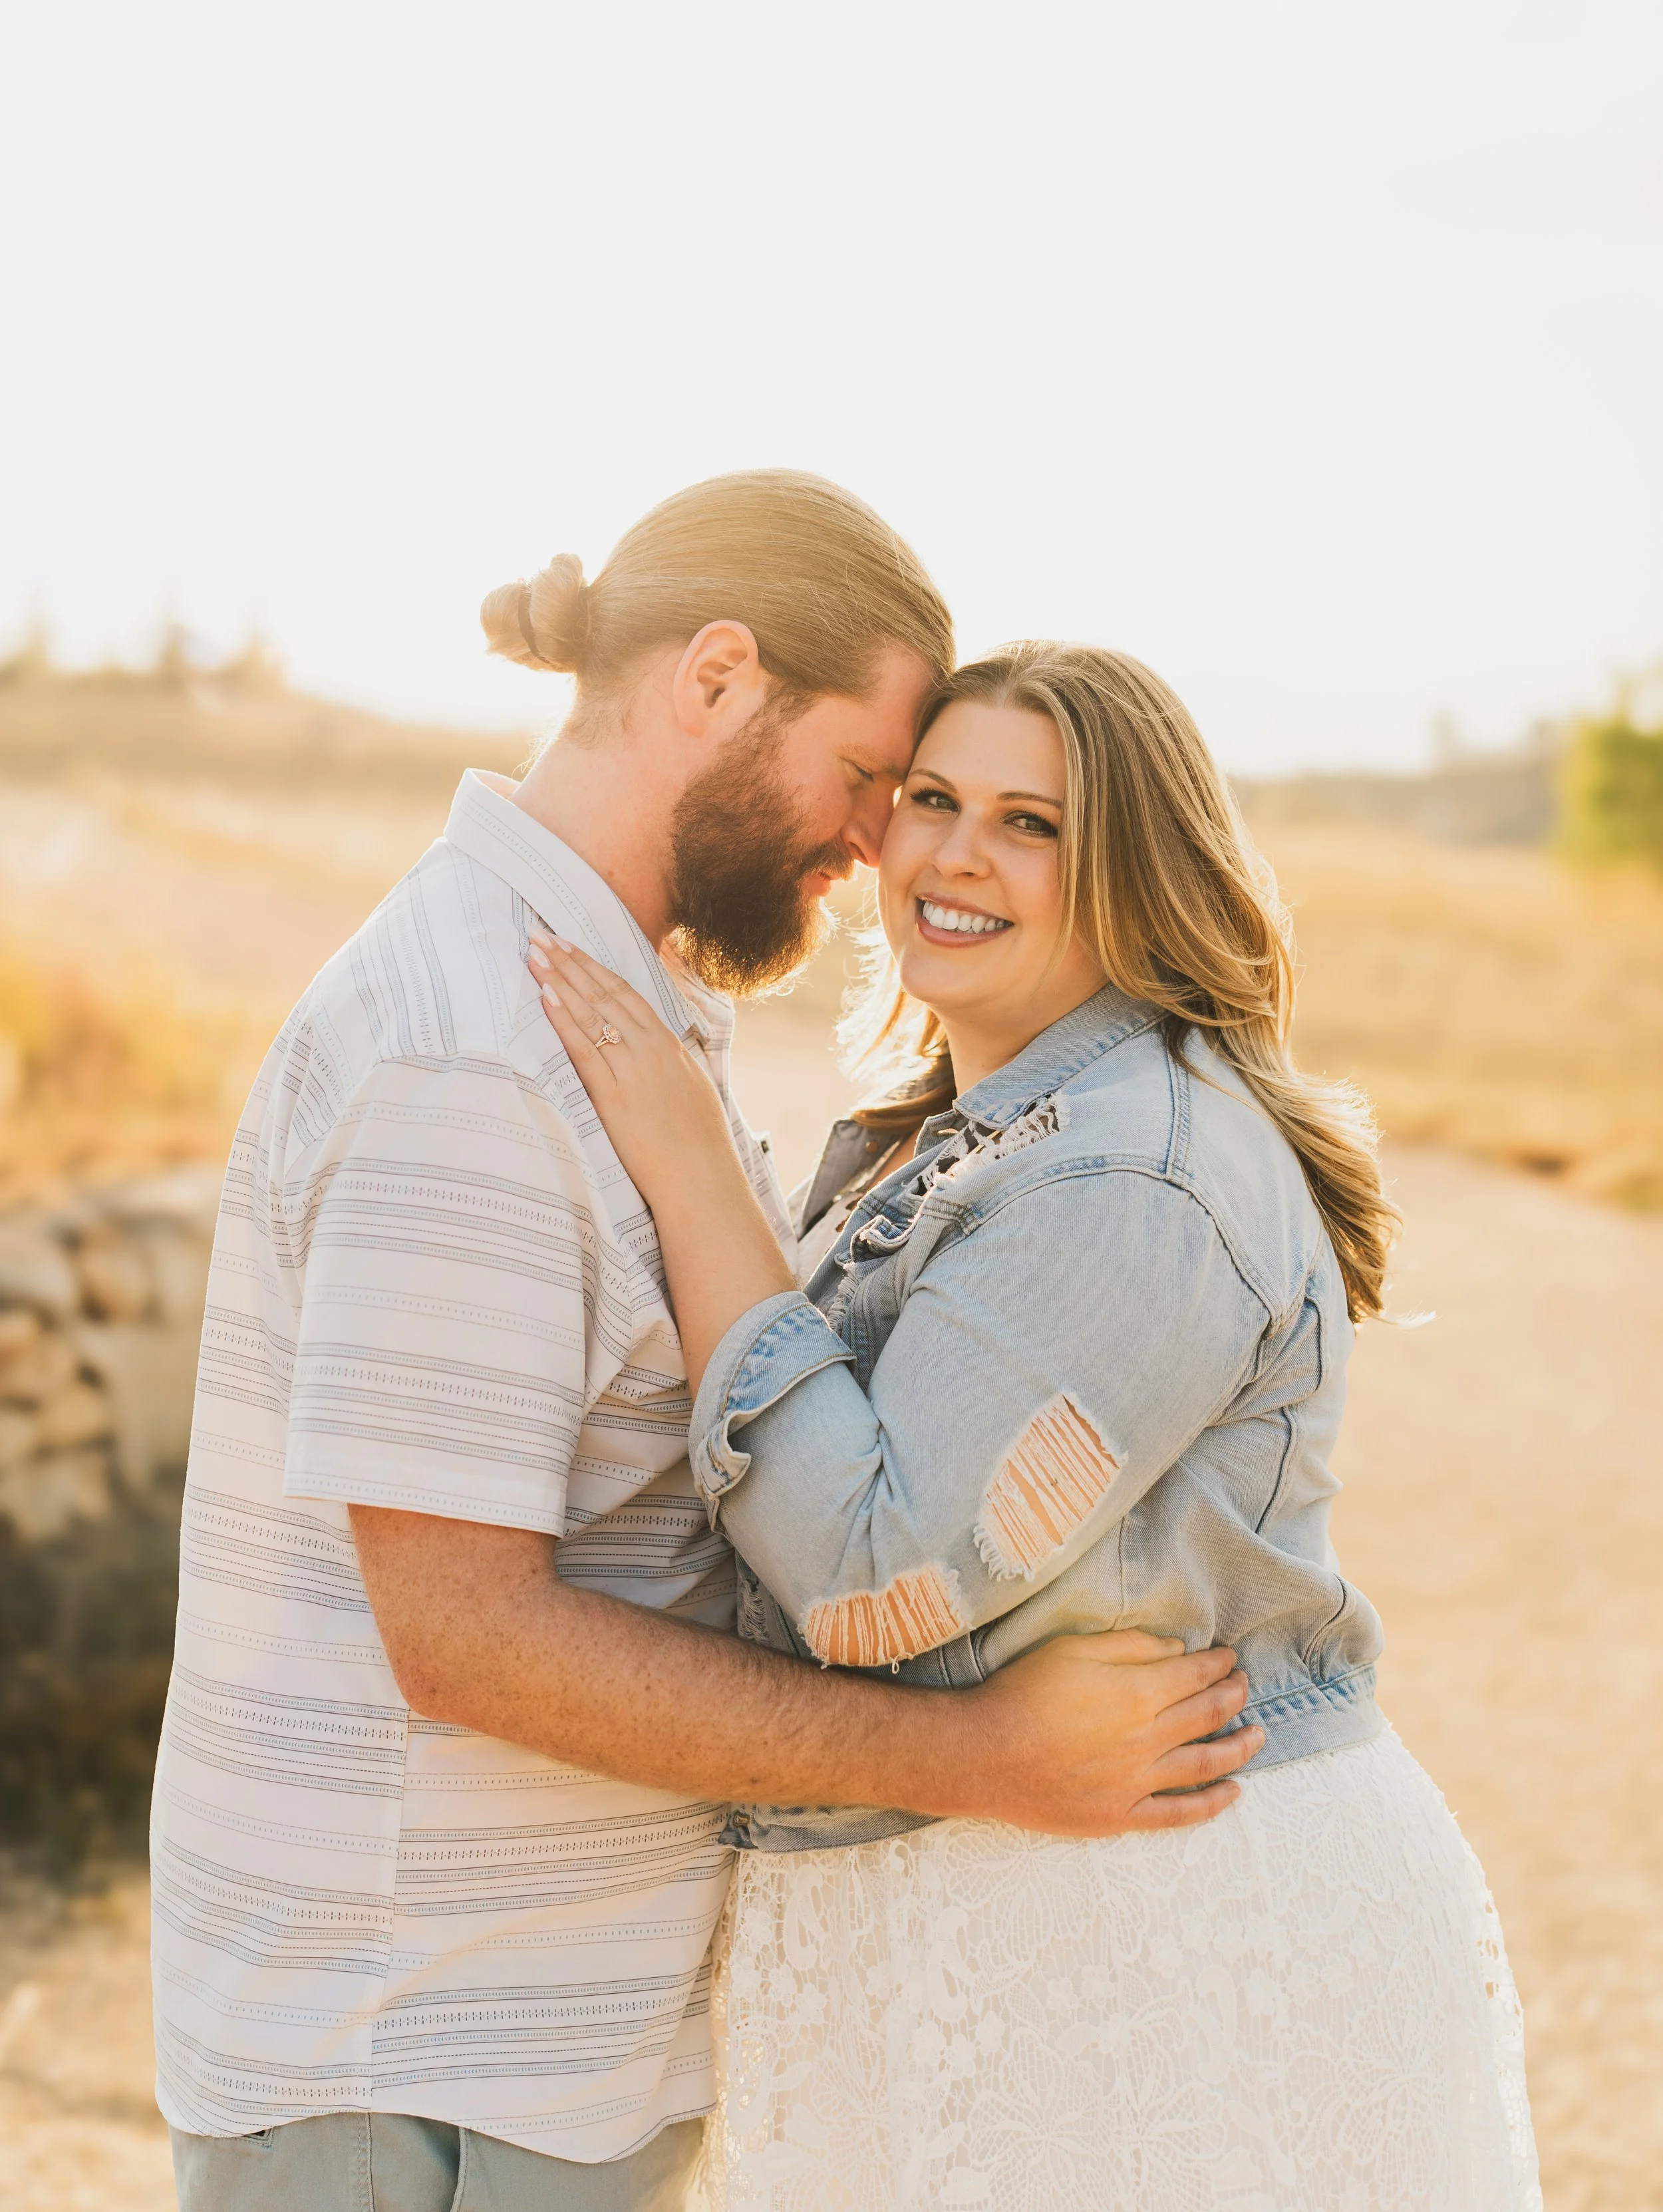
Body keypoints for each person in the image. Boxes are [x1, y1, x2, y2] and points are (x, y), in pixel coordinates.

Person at [152, 479, 1261, 2212]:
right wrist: (979, 1761)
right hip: (417, 2070)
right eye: (873, 778)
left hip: (518, 2056)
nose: (875, 844)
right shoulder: (473, 1050)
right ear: (719, 677)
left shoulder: (596, 1003)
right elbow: (466, 1638)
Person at [528, 641, 1542, 2211]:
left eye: (1029, 823)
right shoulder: (969, 1131)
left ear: (1130, 868)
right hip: (995, 1921)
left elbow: (878, 1569)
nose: (953, 853)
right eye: (931, 798)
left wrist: (688, 1171)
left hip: (1146, 1942)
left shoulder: (1130, 1173)